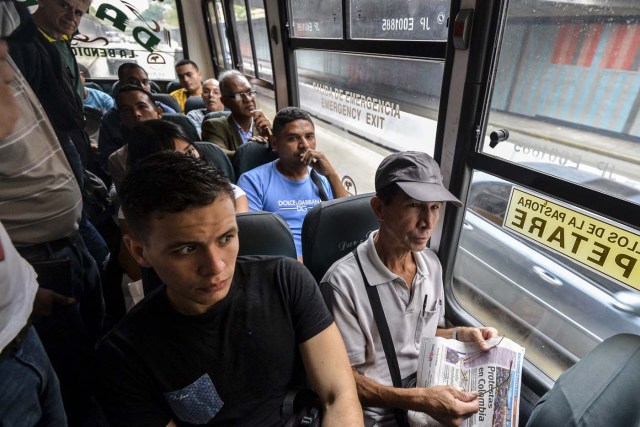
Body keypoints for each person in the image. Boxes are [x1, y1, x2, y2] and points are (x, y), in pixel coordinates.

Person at [96, 151, 363, 426]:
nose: (215, 266)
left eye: (226, 238)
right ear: (139, 251)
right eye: (187, 249)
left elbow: (338, 394)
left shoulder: (286, 281)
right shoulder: (124, 356)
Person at [321, 151, 499, 426]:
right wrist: (420, 400)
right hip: (379, 417)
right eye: (415, 206)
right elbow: (344, 383)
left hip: (427, 401)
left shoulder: (432, 265)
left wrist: (463, 334)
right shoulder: (343, 284)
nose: (428, 222)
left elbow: (425, 332)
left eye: (435, 207)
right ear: (379, 209)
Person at [1, 13, 105, 424]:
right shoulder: (33, 49)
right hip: (9, 359)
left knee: (82, 370)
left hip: (29, 300)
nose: (10, 74)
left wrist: (23, 293)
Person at [238, 107, 348, 259]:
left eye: (309, 136)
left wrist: (332, 175)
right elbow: (255, 240)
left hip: (327, 258)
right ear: (275, 143)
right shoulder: (253, 181)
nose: (305, 145)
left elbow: (348, 220)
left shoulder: (323, 178)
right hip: (282, 265)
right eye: (293, 138)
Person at [97, 62, 175, 179]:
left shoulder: (169, 113)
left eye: (145, 82)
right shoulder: (110, 121)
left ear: (159, 113)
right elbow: (107, 162)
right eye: (133, 82)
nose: (141, 87)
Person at [201, 69, 272, 157]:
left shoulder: (263, 124)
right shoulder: (213, 126)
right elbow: (220, 156)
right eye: (239, 95)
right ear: (225, 102)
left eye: (250, 92)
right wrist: (253, 148)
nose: (248, 99)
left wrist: (270, 137)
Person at [107, 85, 163, 191]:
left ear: (159, 112)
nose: (136, 114)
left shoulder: (181, 145)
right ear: (122, 118)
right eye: (127, 110)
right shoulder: (118, 159)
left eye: (142, 106)